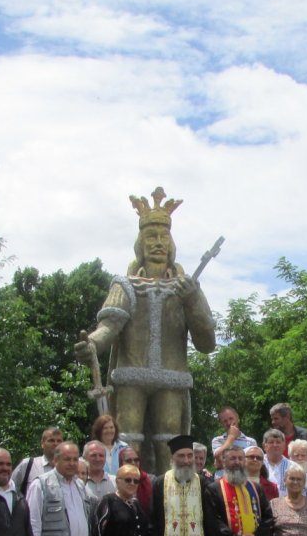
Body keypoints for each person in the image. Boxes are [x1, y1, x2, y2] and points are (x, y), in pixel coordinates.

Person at [73, 187, 217, 476]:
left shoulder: (186, 289)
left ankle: (169, 501)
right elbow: (109, 327)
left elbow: (206, 342)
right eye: (151, 236)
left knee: (170, 444)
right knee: (128, 442)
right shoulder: (124, 285)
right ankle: (129, 498)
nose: (158, 243)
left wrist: (192, 300)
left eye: (163, 236)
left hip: (171, 379)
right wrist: (92, 344)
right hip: (131, 378)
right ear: (140, 243)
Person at [11, 427, 62, 498]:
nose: (56, 444)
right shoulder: (28, 465)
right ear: (42, 443)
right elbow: (11, 487)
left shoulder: (69, 469)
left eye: (59, 441)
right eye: (51, 440)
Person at [210, 406, 257, 476]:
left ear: (237, 418)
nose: (229, 422)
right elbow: (219, 456)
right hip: (222, 481)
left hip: (244, 480)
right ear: (221, 424)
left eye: (231, 419)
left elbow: (253, 464)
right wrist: (231, 437)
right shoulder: (217, 440)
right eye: (225, 421)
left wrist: (223, 463)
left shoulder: (250, 442)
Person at [120, 446, 154, 513]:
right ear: (121, 463)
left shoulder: (151, 480)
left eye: (136, 460)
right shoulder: (117, 482)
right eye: (129, 460)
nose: (133, 463)